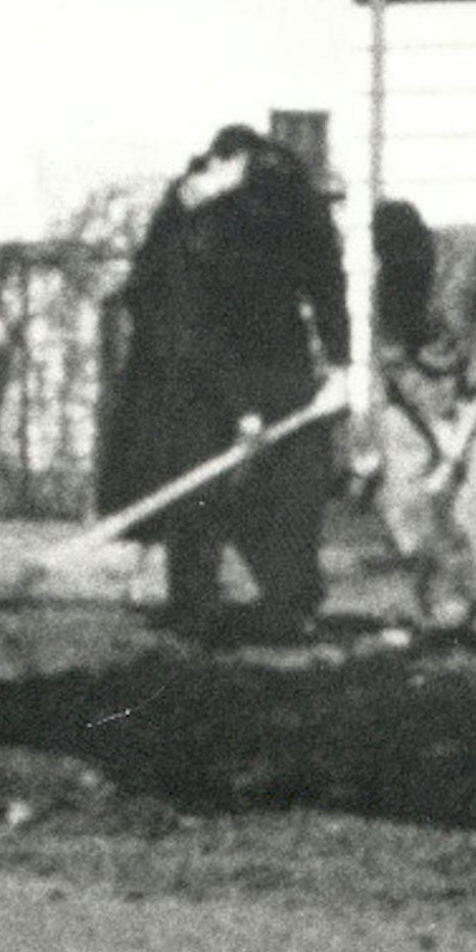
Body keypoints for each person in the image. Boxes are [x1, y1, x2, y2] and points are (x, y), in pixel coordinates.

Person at [97, 124, 350, 643]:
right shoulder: (195, 214)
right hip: (192, 358)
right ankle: (196, 610)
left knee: (298, 478)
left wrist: (341, 371)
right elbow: (189, 316)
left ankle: (292, 604)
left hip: (280, 356)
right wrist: (240, 408)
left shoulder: (296, 205)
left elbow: (327, 286)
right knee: (198, 487)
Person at [370, 198, 476, 644]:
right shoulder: (386, 288)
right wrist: (438, 427)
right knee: (405, 500)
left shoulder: (470, 242)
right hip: (409, 401)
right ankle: (406, 609)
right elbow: (395, 363)